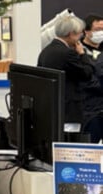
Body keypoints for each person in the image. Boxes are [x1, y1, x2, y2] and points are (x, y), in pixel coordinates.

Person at [37, 13, 95, 129]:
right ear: (71, 34)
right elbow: (87, 74)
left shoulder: (46, 51)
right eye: (79, 34)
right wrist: (83, 54)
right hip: (68, 110)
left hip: (52, 108)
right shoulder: (68, 53)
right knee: (70, 144)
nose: (80, 38)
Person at [80, 14, 103, 143]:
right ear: (86, 31)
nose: (101, 33)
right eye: (98, 30)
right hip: (89, 109)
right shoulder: (78, 51)